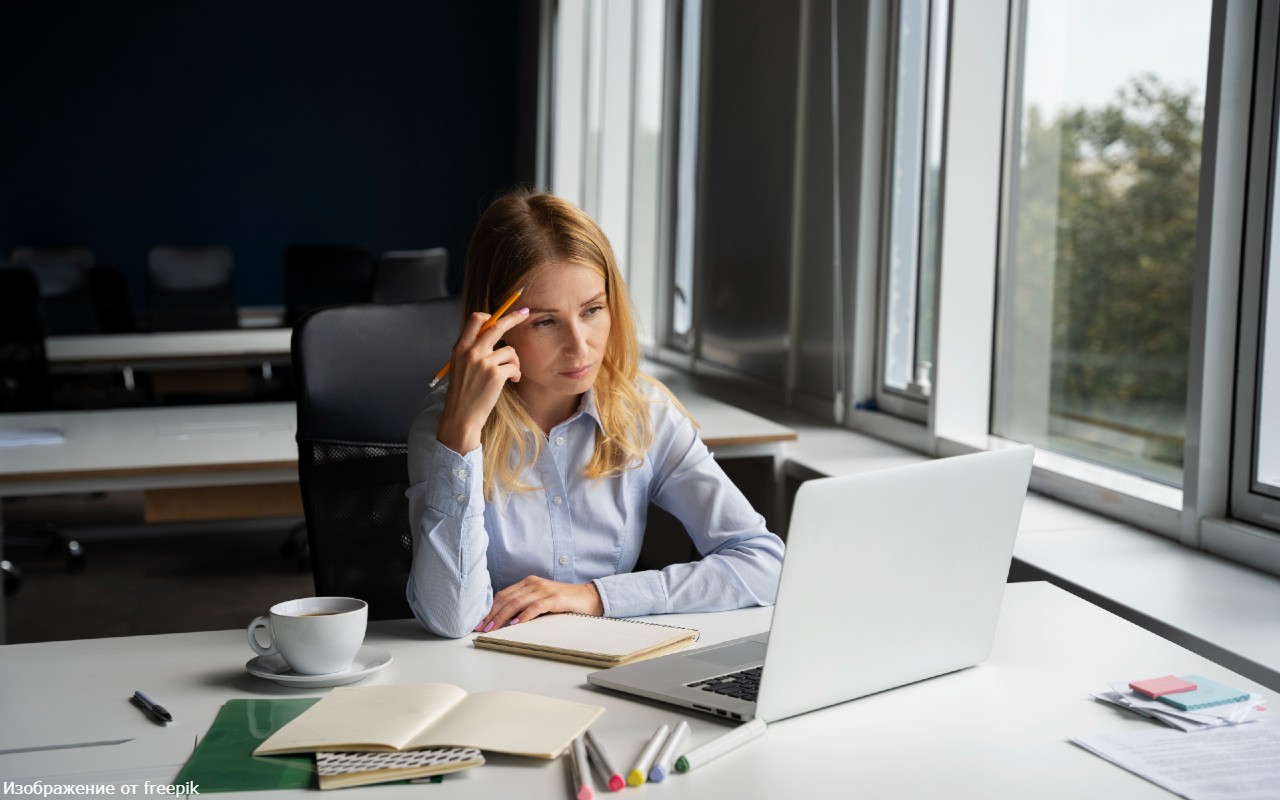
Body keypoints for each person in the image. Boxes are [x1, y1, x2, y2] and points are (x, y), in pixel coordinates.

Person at [406, 189, 784, 638]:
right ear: (494, 326)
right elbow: (452, 620)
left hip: (606, 663)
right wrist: (463, 432)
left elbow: (764, 563)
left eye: (592, 310)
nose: (580, 346)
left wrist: (596, 596)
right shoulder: (445, 426)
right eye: (545, 321)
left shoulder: (646, 414)